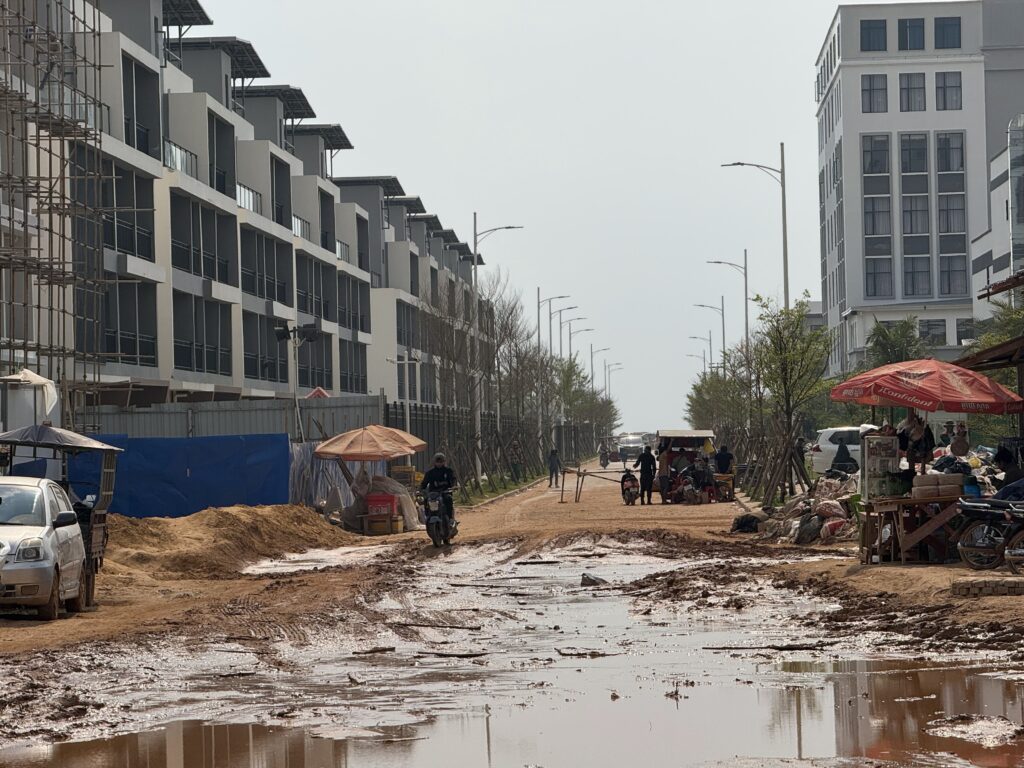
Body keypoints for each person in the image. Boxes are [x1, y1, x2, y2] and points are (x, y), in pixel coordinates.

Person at [420, 452, 457, 520]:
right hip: (433, 493)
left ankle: (450, 518)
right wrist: (421, 489)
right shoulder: (430, 473)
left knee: (448, 499)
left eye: (441, 461)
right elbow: (424, 483)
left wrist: (453, 486)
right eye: (437, 461)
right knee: (426, 500)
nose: (439, 463)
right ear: (434, 462)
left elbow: (453, 480)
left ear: (444, 462)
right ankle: (428, 516)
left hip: (445, 492)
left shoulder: (448, 471)